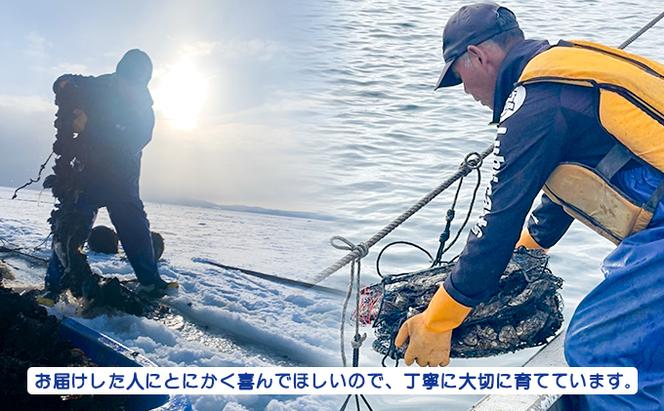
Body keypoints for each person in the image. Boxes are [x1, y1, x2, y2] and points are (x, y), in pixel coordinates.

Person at [394, 3, 664, 409]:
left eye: (458, 77)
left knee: (599, 355)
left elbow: (496, 220)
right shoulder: (567, 67)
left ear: (477, 57)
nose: (465, 91)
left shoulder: (532, 103)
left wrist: (439, 320)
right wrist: (535, 241)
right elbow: (594, 162)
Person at [42, 49, 175, 302]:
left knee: (134, 227)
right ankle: (53, 287)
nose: (124, 86)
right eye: (121, 79)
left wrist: (88, 126)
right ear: (117, 74)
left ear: (142, 84)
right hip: (86, 177)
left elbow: (126, 145)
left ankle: (150, 282)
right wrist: (63, 84)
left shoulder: (144, 114)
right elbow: (68, 80)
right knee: (70, 227)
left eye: (131, 83)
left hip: (120, 180)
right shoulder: (102, 84)